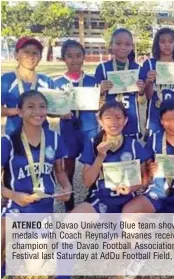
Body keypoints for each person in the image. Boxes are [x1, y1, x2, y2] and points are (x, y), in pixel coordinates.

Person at [1, 90, 72, 278]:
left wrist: (66, 187)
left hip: (43, 209)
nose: (37, 111)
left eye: (42, 106)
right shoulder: (8, 141)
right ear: (20, 111)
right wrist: (13, 195)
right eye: (30, 107)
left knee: (36, 268)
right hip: (16, 207)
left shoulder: (54, 138)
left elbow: (60, 171)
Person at [71, 101, 150, 214]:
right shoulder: (93, 144)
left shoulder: (133, 145)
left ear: (125, 121)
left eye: (118, 117)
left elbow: (144, 177)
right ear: (100, 121)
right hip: (100, 199)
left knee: (133, 225)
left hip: (129, 200)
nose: (113, 122)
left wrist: (132, 188)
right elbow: (87, 182)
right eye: (108, 118)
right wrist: (99, 157)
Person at [122, 99, 174, 213]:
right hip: (156, 193)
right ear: (161, 120)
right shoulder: (154, 139)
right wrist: (149, 170)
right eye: (167, 120)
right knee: (129, 211)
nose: (172, 125)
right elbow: (145, 174)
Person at [54, 40, 99, 211]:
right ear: (64, 58)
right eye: (70, 56)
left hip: (89, 128)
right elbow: (50, 109)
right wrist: (59, 112)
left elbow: (100, 104)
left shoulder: (93, 81)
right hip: (68, 130)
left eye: (78, 56)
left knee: (91, 163)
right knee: (69, 167)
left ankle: (93, 195)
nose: (74, 60)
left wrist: (101, 94)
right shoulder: (56, 83)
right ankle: (69, 200)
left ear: (84, 58)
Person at [140, 28, 174, 137]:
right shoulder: (149, 64)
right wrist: (149, 82)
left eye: (170, 41)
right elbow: (149, 96)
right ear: (157, 44)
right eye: (163, 41)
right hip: (154, 117)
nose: (167, 45)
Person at [95, 28, 145, 138]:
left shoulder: (138, 69)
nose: (122, 47)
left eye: (127, 44)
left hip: (131, 120)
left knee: (130, 153)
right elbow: (96, 99)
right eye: (118, 43)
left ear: (132, 46)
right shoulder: (102, 68)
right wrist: (101, 90)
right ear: (111, 45)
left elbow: (141, 101)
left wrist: (141, 91)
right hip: (109, 122)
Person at [1, 37, 54, 135]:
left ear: (40, 57)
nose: (31, 56)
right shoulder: (6, 80)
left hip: (42, 135)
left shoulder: (46, 81)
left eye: (35, 53)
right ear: (16, 54)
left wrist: (63, 110)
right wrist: (18, 111)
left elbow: (53, 109)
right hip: (15, 135)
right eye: (26, 52)